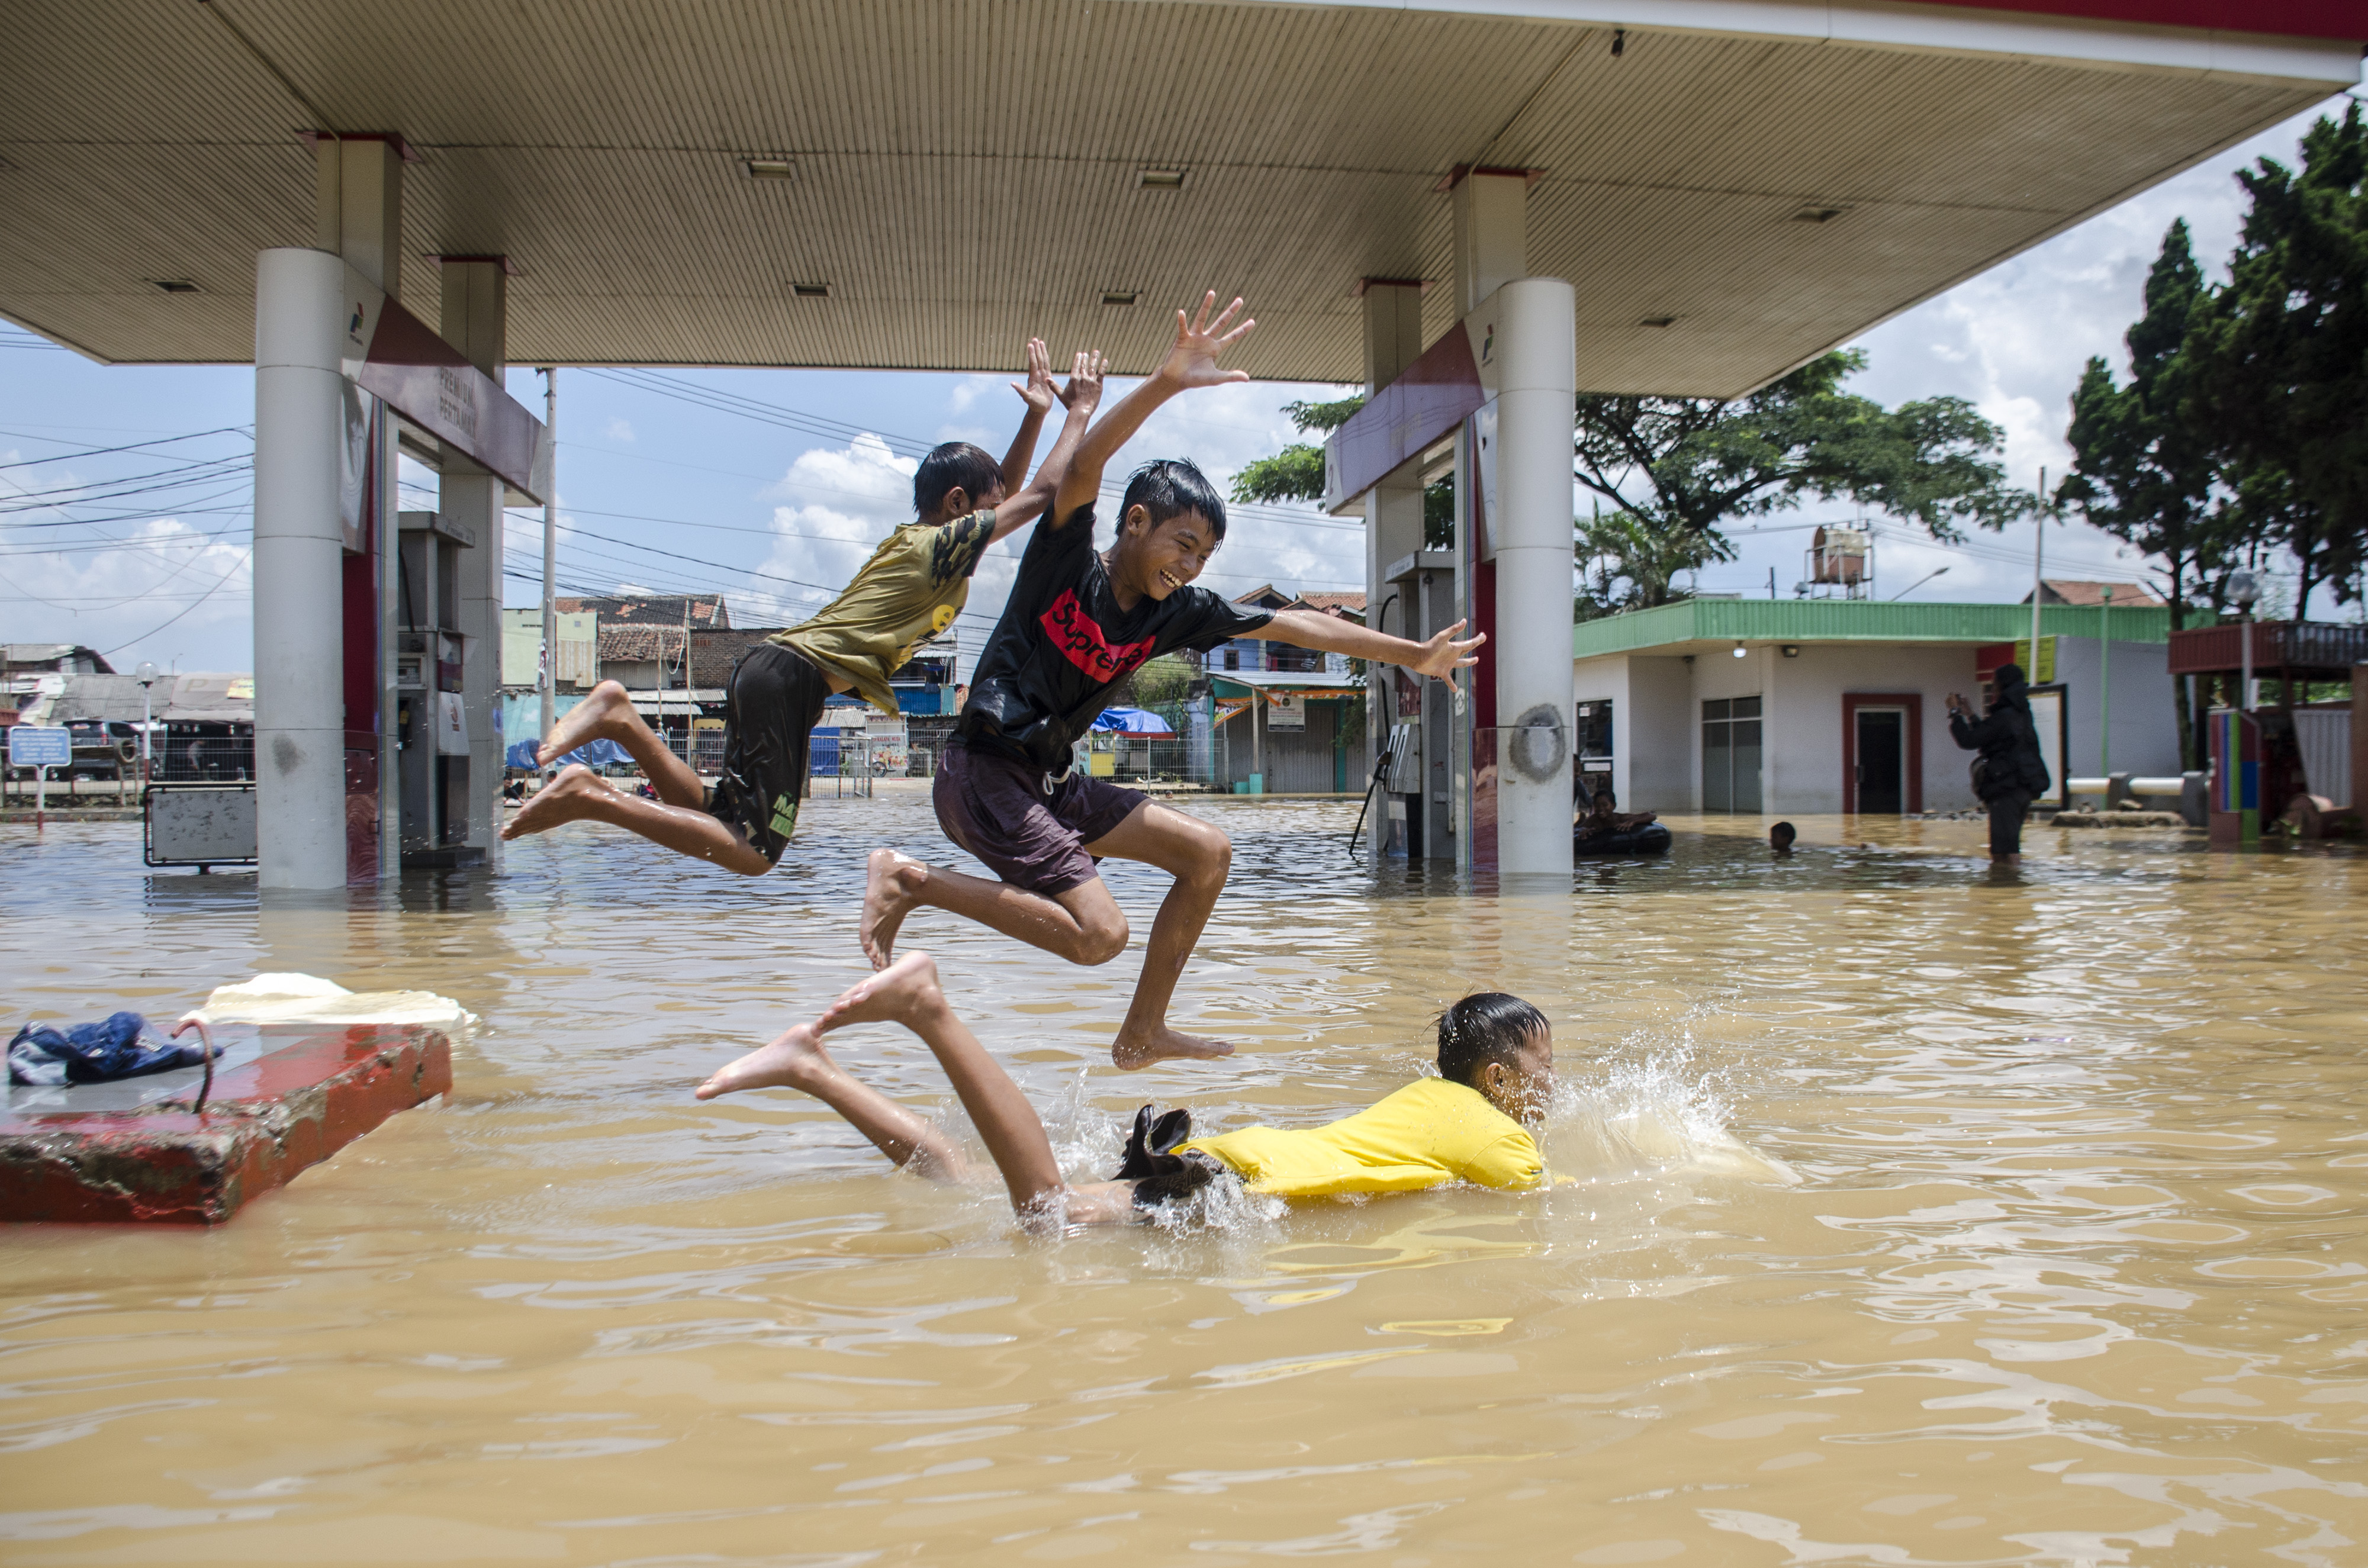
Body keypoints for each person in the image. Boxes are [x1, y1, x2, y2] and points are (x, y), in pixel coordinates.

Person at [857, 294, 1485, 1070]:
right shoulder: (1064, 563)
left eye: (1202, 559)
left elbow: (1301, 627)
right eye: (1180, 545)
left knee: (1207, 852)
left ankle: (1143, 1032)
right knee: (1100, 934)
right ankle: (912, 880)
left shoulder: (1175, 611)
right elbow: (1082, 467)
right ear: (1135, 524)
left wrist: (1409, 652)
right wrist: (1166, 382)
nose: (1187, 568)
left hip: (1046, 782)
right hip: (981, 770)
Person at [501, 342, 1105, 874]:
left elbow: (1009, 488)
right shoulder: (940, 547)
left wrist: (1036, 417)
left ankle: (621, 718)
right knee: (753, 851)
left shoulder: (927, 545)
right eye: (982, 506)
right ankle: (590, 798)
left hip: (772, 670)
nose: (994, 516)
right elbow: (1042, 493)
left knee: (718, 814)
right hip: (790, 680)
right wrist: (1078, 411)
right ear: (956, 506)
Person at [694, 953, 1555, 1226]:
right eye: (1543, 1071)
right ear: (1496, 1078)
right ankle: (929, 1011)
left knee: (971, 1183)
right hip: (1226, 1191)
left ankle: (814, 1068)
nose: (1552, 1090)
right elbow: (1553, 1204)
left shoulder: (1424, 1098)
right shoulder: (1495, 1135)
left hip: (1222, 1162)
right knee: (1044, 1214)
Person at [1948, 662, 2051, 865]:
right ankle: (2011, 886)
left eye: (1995, 684)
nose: (1993, 688)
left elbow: (1969, 741)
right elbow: (1989, 737)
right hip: (2023, 788)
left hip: (2006, 789)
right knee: (2008, 845)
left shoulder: (2004, 716)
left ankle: (2009, 889)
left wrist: (1954, 712)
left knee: (2005, 850)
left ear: (2002, 686)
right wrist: (1970, 715)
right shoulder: (2022, 714)